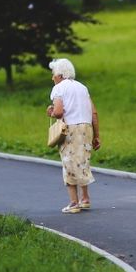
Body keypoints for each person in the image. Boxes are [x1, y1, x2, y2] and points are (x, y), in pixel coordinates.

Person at [46, 59, 101, 214]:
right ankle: (85, 199)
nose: (52, 78)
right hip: (86, 128)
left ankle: (73, 203)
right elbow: (94, 113)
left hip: (70, 130)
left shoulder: (58, 89)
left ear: (60, 74)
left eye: (53, 74)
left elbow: (58, 112)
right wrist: (97, 136)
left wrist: (50, 112)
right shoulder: (82, 88)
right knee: (82, 162)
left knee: (69, 163)